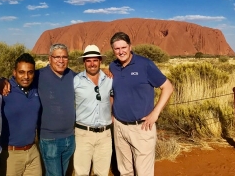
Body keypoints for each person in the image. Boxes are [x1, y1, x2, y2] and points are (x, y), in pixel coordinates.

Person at [109, 32, 174, 176]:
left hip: (142, 127)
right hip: (119, 127)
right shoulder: (113, 66)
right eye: (117, 49)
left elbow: (168, 87)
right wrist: (112, 114)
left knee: (143, 172)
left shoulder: (145, 65)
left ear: (130, 46)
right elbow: (113, 92)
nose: (121, 51)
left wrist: (155, 114)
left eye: (124, 47)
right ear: (113, 50)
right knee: (125, 171)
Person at [35, 43, 76, 176]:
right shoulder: (38, 76)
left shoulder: (73, 76)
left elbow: (92, 81)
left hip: (70, 138)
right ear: (49, 58)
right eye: (57, 57)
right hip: (49, 139)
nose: (61, 60)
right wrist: (3, 81)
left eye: (64, 57)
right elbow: (19, 80)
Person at [73, 45, 113, 176]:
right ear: (84, 62)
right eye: (88, 60)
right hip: (83, 133)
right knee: (81, 172)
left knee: (102, 173)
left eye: (95, 60)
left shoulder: (110, 79)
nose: (92, 64)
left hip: (105, 134)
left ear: (100, 60)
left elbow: (113, 96)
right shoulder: (76, 80)